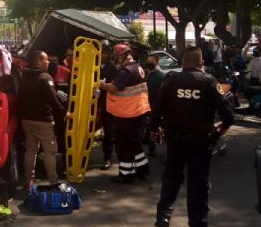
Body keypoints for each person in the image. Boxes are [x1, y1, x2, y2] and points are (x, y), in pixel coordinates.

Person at [152, 46, 234, 227]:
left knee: (171, 178)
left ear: (182, 63)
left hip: (175, 139)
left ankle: (163, 218)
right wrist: (222, 128)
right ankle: (197, 222)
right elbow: (228, 114)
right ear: (201, 63)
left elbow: (156, 109)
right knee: (198, 183)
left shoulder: (171, 80)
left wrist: (154, 128)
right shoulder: (209, 81)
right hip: (201, 141)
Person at [99, 44, 151, 183]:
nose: (116, 60)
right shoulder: (138, 68)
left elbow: (114, 88)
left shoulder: (126, 72)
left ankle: (126, 174)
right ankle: (142, 168)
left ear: (122, 56)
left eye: (117, 57)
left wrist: (99, 84)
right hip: (139, 111)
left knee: (123, 144)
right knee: (134, 143)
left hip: (127, 114)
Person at [18, 50, 69, 189]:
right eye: (45, 59)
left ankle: (28, 181)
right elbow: (52, 100)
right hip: (43, 120)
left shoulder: (23, 76)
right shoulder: (45, 77)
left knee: (31, 150)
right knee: (50, 151)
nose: (48, 62)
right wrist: (64, 112)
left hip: (26, 119)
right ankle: (53, 181)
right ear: (37, 61)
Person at [98, 43, 118, 170]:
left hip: (107, 102)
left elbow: (113, 86)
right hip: (93, 101)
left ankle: (107, 157)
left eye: (104, 53)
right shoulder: (93, 64)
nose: (102, 55)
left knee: (108, 131)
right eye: (100, 53)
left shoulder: (112, 67)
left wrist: (102, 86)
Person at [143, 54, 165, 157]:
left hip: (154, 106)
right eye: (148, 61)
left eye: (151, 61)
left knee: (152, 126)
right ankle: (146, 142)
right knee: (145, 126)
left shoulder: (161, 76)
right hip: (143, 105)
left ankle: (152, 148)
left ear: (157, 63)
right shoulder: (144, 74)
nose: (149, 63)